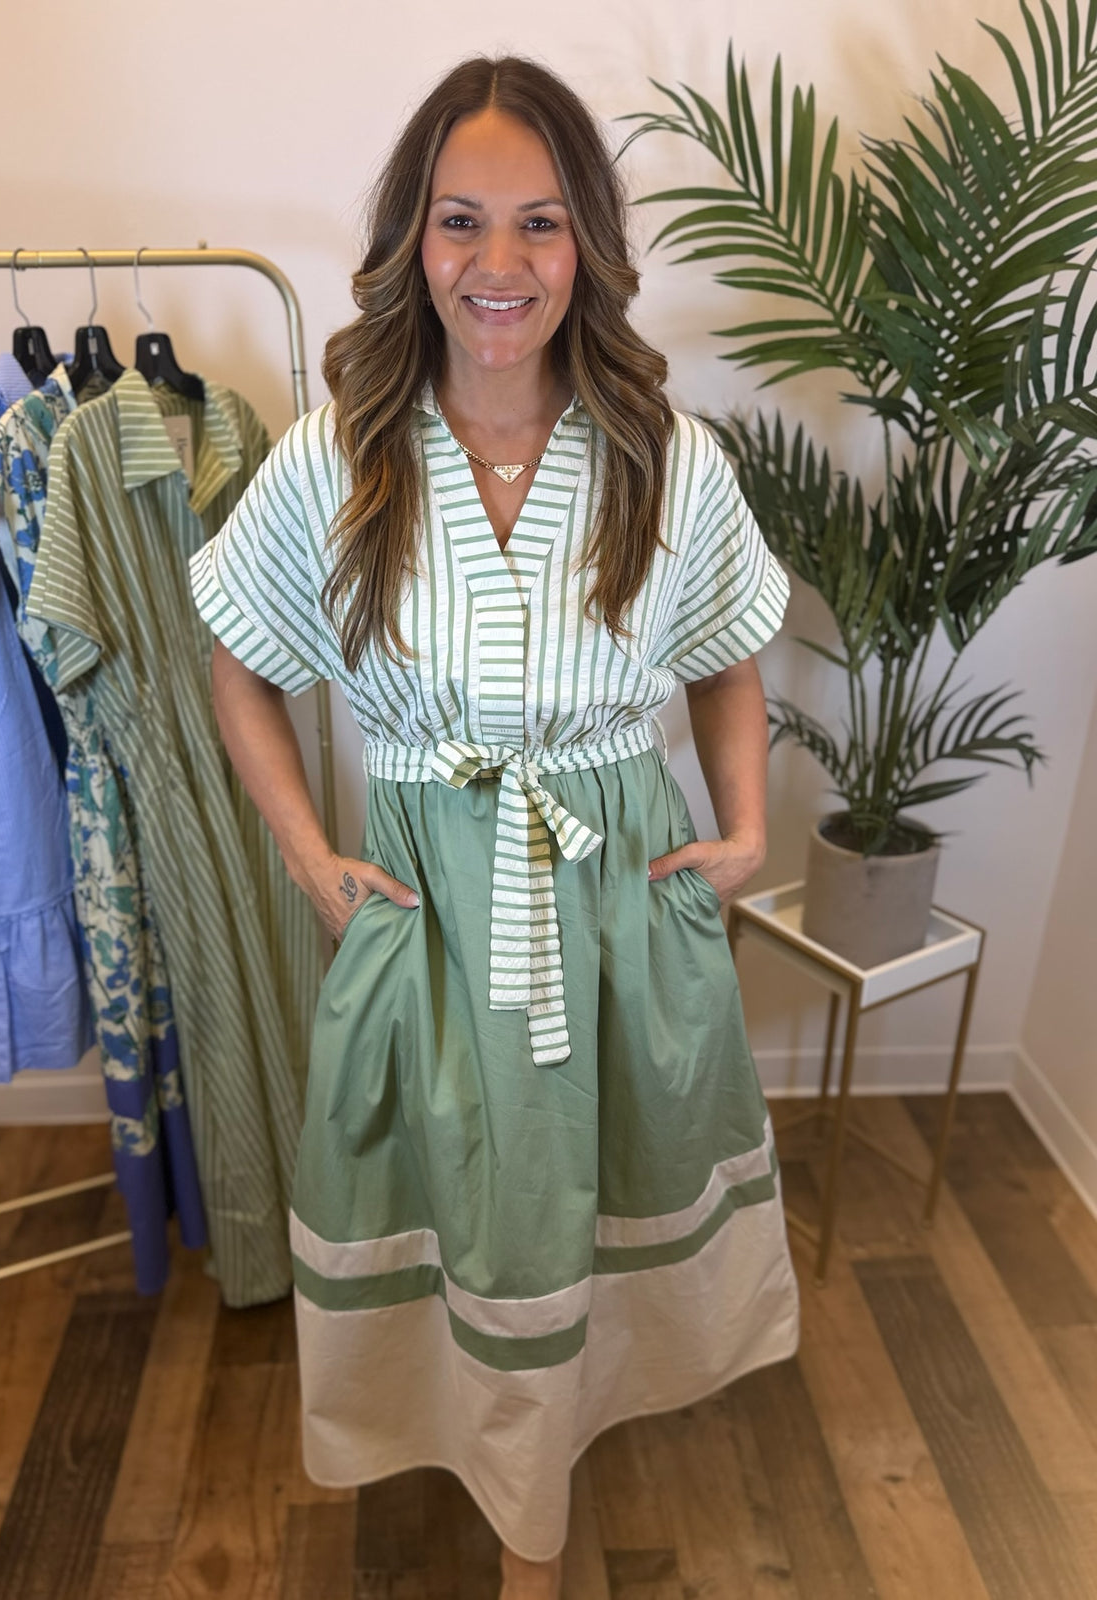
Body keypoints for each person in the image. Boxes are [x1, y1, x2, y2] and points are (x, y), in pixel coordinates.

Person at [190, 54, 799, 1600]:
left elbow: (729, 648)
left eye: (539, 223)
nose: (500, 265)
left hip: (613, 877)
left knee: (597, 1185)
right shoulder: (338, 458)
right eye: (462, 222)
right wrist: (311, 860)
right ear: (411, 241)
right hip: (430, 887)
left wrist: (744, 831)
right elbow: (237, 662)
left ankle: (546, 1505)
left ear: (587, 240)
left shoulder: (665, 455)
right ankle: (510, 1485)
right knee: (463, 1194)